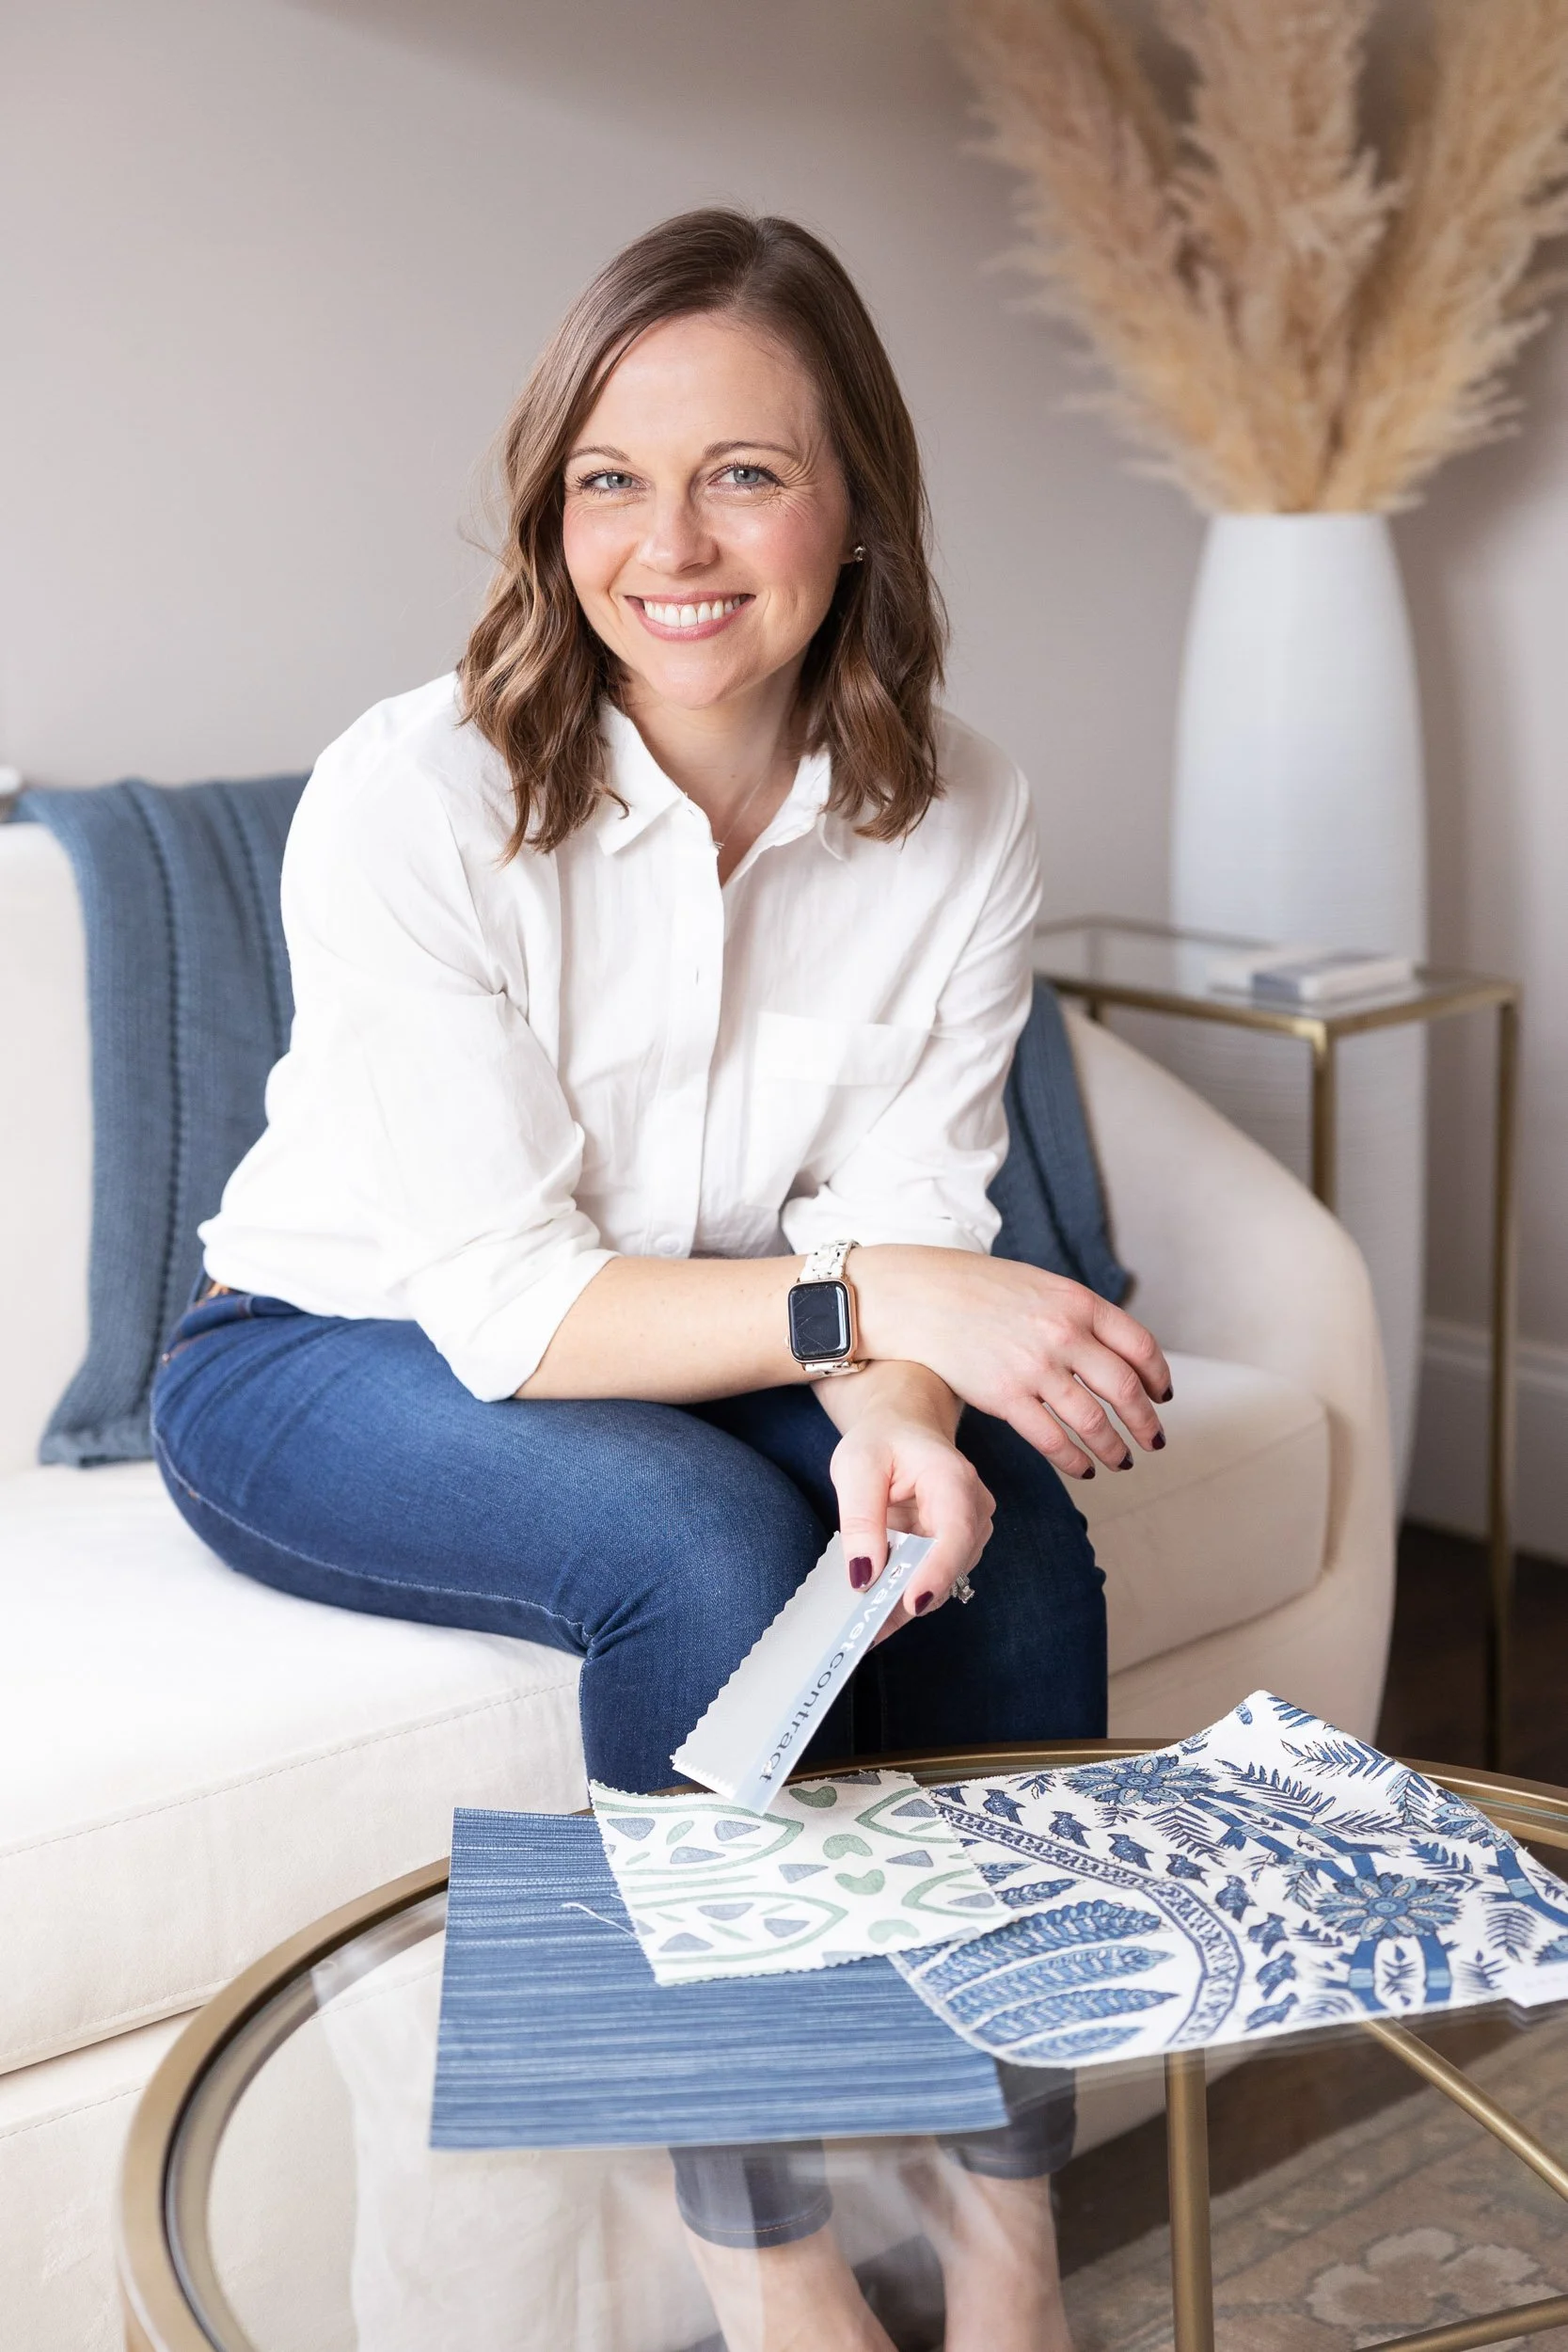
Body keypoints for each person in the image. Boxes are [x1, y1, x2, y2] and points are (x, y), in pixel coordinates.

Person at [152, 209, 1171, 2352]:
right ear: (549, 510)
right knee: (695, 1548)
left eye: (743, 471)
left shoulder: (958, 806)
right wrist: (876, 1318)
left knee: (1015, 1551)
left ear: (854, 502)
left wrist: (903, 1415)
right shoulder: (411, 794)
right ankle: (773, 2276)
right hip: (328, 1352)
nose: (670, 542)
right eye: (609, 476)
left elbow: (907, 1195)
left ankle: (1004, 2248)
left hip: (693, 1327)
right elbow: (521, 1310)